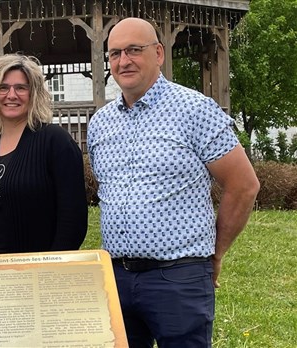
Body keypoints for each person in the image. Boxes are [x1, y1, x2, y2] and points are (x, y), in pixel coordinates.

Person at [87, 18, 260, 347]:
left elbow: (244, 184)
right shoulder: (100, 124)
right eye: (115, 53)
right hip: (115, 277)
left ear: (158, 53)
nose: (124, 61)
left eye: (134, 50)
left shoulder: (194, 110)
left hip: (178, 277)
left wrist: (216, 252)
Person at [0, 53, 88, 255]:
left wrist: (51, 268)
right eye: (3, 87)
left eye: (21, 87)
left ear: (34, 93)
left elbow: (73, 219)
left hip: (36, 276)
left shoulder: (56, 142)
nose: (11, 95)